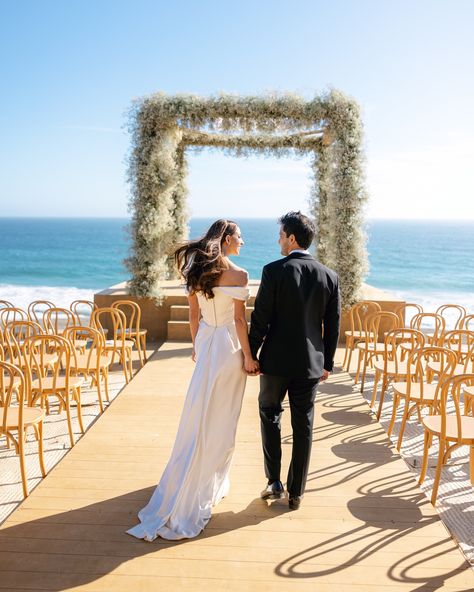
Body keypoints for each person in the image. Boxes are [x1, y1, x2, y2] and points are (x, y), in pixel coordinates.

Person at [127, 220, 259, 541]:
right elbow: (240, 320)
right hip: (228, 348)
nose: (242, 241)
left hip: (207, 345)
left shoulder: (196, 272)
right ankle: (209, 479)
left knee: (199, 414)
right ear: (228, 239)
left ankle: (195, 474)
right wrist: (249, 356)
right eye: (239, 237)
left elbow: (194, 317)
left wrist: (198, 347)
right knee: (223, 417)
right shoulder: (239, 275)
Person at [249, 211, 340, 510]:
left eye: (280, 235)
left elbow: (260, 318)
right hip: (309, 365)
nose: (278, 240)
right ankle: (297, 491)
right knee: (303, 425)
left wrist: (251, 354)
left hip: (274, 362)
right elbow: (333, 324)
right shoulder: (329, 276)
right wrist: (327, 362)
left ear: (291, 238)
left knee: (270, 415)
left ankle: (273, 481)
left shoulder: (273, 271)